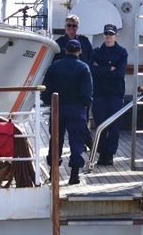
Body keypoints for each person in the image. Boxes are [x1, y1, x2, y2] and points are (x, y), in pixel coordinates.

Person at [41, 39, 93, 185]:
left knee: (56, 139)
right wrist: (85, 105)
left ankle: (53, 173)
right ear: (80, 51)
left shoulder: (54, 67)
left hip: (58, 107)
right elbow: (87, 92)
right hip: (76, 108)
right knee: (76, 140)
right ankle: (74, 174)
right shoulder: (83, 68)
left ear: (65, 50)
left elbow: (46, 90)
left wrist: (48, 102)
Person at [89, 23, 128, 166]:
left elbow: (120, 73)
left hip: (115, 93)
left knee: (114, 125)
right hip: (99, 93)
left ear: (116, 35)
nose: (109, 36)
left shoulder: (122, 52)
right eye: (107, 33)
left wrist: (102, 70)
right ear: (104, 34)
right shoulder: (97, 51)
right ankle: (101, 153)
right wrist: (109, 69)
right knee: (100, 125)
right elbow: (92, 70)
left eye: (111, 34)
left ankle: (110, 153)